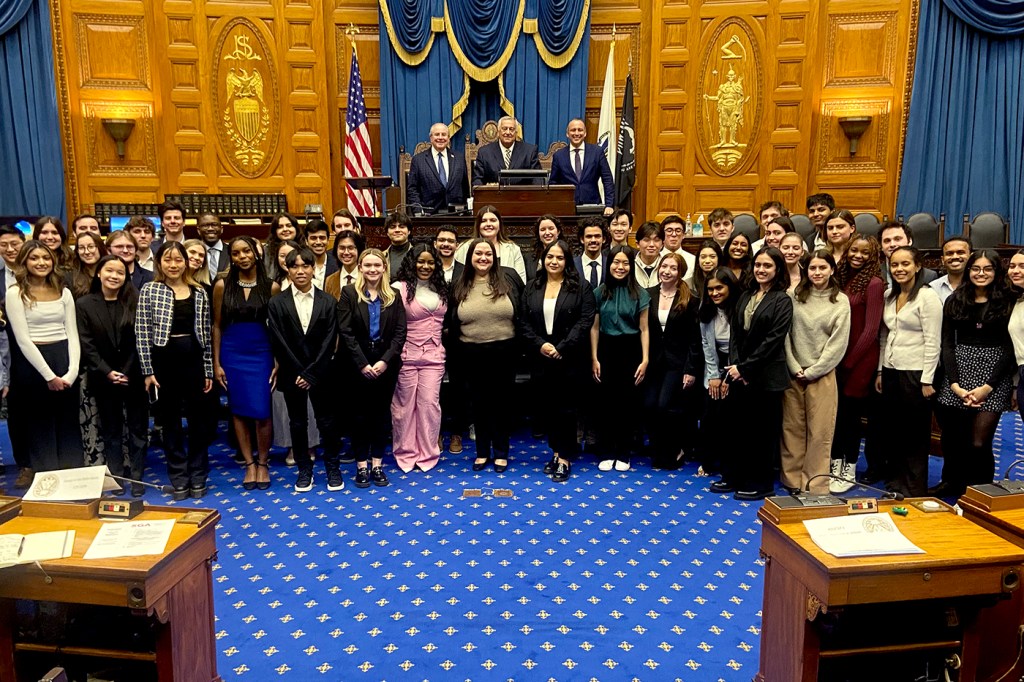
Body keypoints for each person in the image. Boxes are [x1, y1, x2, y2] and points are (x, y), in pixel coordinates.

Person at [933, 249, 1014, 498]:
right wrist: (955, 383)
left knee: (979, 442)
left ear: (996, 272)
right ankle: (951, 483)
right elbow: (947, 343)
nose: (981, 273)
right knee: (953, 439)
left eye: (987, 269)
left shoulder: (1008, 300)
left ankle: (978, 492)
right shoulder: (956, 299)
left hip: (995, 376)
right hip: (957, 372)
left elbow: (1010, 348)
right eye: (976, 268)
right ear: (969, 271)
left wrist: (987, 387)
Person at [136, 242, 214, 500]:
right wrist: (148, 370)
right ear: (159, 263)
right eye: (167, 260)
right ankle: (179, 477)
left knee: (198, 423)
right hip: (163, 362)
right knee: (170, 424)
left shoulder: (199, 291)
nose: (173, 265)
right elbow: (142, 332)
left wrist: (208, 370)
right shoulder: (150, 290)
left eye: (178, 260)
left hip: (193, 360)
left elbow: (206, 334)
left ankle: (199, 474)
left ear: (186, 262)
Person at [715, 247, 793, 500]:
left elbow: (773, 340)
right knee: (738, 430)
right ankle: (736, 476)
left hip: (766, 377)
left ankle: (761, 483)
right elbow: (735, 334)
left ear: (778, 269)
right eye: (758, 265)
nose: (761, 270)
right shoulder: (747, 295)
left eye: (767, 266)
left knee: (762, 433)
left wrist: (746, 368)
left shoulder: (782, 300)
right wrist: (737, 365)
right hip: (741, 375)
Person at [267, 246, 345, 492]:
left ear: (314, 269)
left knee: (328, 422)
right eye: (294, 266)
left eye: (305, 266)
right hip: (292, 373)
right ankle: (304, 470)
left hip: (323, 373)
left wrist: (312, 372)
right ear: (287, 270)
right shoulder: (277, 303)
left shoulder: (328, 301)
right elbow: (279, 341)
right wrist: (300, 371)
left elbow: (330, 339)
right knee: (297, 423)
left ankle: (333, 467)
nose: (300, 271)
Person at [519, 240, 595, 481]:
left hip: (569, 357)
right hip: (541, 357)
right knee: (548, 408)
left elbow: (585, 321)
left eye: (559, 258)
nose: (554, 261)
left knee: (566, 409)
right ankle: (555, 452)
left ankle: (564, 457)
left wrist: (562, 347)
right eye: (550, 257)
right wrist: (541, 345)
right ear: (543, 258)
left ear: (567, 261)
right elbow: (522, 321)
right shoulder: (532, 286)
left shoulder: (580, 287)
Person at [446, 239, 521, 472]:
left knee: (502, 404)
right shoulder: (459, 284)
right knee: (478, 404)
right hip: (471, 353)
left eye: (488, 254)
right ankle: (481, 452)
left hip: (504, 351)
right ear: (470, 257)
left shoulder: (508, 279)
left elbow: (522, 310)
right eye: (478, 253)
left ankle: (501, 452)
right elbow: (451, 320)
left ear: (494, 258)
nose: (483, 258)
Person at [6, 241, 81, 472]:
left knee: (68, 425)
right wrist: (49, 376)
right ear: (25, 262)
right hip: (32, 365)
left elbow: (72, 333)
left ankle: (72, 478)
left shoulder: (64, 291)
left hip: (64, 358)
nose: (41, 263)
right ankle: (47, 483)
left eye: (46, 258)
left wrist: (72, 372)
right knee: (40, 426)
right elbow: (22, 339)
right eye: (34, 258)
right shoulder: (15, 292)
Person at [76, 255, 148, 496]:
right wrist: (108, 372)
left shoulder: (135, 300)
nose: (114, 276)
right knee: (112, 431)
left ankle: (138, 478)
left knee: (138, 430)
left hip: (133, 374)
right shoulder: (85, 304)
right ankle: (117, 476)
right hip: (103, 376)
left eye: (120, 272)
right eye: (109, 271)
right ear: (99, 273)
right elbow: (86, 344)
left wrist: (126, 371)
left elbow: (141, 340)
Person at [781, 251, 850, 495]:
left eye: (822, 267)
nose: (817, 273)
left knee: (820, 431)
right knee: (792, 428)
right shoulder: (793, 296)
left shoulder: (841, 301)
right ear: (805, 271)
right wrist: (794, 366)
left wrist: (814, 370)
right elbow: (785, 336)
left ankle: (815, 484)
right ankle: (791, 480)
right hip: (794, 371)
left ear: (832, 270)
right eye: (812, 268)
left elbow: (838, 343)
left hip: (822, 374)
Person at [213, 236, 279, 491]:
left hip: (262, 350)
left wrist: (277, 360)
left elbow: (276, 328)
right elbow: (217, 326)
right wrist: (217, 362)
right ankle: (249, 463)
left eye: (246, 251)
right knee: (239, 409)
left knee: (262, 408)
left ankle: (263, 462)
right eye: (236, 253)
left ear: (256, 253)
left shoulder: (271, 286)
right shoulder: (222, 285)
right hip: (232, 352)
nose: (242, 256)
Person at [337, 249, 407, 487]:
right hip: (357, 363)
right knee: (359, 417)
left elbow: (400, 333)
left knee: (380, 415)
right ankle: (361, 467)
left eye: (377, 265)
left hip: (385, 363)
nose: (372, 269)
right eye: (367, 265)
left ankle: (377, 465)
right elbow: (345, 331)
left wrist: (385, 360)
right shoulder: (348, 293)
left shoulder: (394, 295)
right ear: (360, 268)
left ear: (384, 267)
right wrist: (362, 363)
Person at [876, 246, 942, 497]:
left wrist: (927, 379)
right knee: (894, 430)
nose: (899, 269)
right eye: (894, 265)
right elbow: (885, 335)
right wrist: (881, 371)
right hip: (892, 370)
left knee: (914, 434)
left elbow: (933, 340)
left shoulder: (927, 297)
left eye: (905, 264)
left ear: (917, 267)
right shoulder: (889, 295)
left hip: (916, 373)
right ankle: (895, 482)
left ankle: (914, 487)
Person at [830, 235, 884, 493]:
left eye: (865, 252)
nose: (858, 256)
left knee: (850, 417)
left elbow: (871, 330)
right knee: (836, 414)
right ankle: (835, 462)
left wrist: (848, 361)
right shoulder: (842, 279)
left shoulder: (874, 284)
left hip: (859, 361)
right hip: (838, 358)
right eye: (854, 250)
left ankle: (849, 466)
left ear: (873, 256)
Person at [590, 246, 650, 471]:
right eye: (616, 262)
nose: (620, 267)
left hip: (631, 349)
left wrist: (645, 360)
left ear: (631, 266)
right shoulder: (599, 292)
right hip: (605, 349)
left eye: (625, 263)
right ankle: (606, 450)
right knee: (606, 403)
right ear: (610, 264)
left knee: (627, 404)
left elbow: (644, 329)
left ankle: (623, 452)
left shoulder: (640, 293)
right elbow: (594, 328)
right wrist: (594, 357)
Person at [391, 244, 449, 473]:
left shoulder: (442, 288)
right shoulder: (398, 288)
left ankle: (428, 452)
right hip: (406, 354)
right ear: (411, 263)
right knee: (404, 406)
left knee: (429, 405)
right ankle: (405, 452)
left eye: (430, 262)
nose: (425, 266)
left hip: (435, 355)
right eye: (420, 261)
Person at [645, 252, 701, 469]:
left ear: (680, 273)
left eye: (673, 268)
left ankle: (675, 449)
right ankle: (658, 449)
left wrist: (691, 369)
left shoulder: (690, 299)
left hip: (677, 363)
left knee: (664, 405)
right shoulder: (646, 295)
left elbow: (695, 339)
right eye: (664, 266)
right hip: (653, 361)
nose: (667, 271)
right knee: (649, 405)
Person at [64, 231, 109, 467]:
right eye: (81, 247)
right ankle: (94, 462)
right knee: (89, 411)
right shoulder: (70, 279)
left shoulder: (113, 270)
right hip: (84, 352)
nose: (87, 251)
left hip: (111, 351)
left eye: (91, 246)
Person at [699, 268, 741, 482]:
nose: (714, 293)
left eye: (719, 288)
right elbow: (706, 344)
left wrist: (728, 380)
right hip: (715, 366)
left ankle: (729, 465)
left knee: (729, 417)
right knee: (709, 415)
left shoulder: (741, 308)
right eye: (710, 289)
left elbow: (741, 346)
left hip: (738, 367)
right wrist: (714, 376)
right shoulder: (706, 310)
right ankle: (708, 461)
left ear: (730, 287)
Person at [0, 225, 27, 486]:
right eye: (3, 245)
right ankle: (24, 464)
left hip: (36, 347)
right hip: (6, 350)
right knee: (16, 410)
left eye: (14, 244)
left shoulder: (34, 270)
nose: (9, 249)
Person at [548, 118, 614, 214]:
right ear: (567, 134)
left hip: (592, 207)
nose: (576, 133)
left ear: (585, 133)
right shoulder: (559, 156)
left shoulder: (597, 152)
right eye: (573, 130)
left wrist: (609, 205)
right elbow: (553, 183)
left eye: (580, 130)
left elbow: (607, 179)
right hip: (567, 208)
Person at [407, 122, 469, 213]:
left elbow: (465, 188)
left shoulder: (459, 158)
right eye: (437, 134)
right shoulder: (418, 160)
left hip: (456, 214)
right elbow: (412, 190)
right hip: (429, 215)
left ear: (448, 138)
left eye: (444, 135)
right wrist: (418, 211)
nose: (440, 138)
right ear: (431, 138)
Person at [453, 206, 527, 283]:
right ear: (478, 225)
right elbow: (458, 280)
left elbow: (521, 281)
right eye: (484, 221)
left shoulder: (513, 249)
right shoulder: (464, 248)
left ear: (499, 225)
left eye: (493, 220)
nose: (488, 224)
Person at [472, 115, 542, 186]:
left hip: (522, 196)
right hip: (494, 196)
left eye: (511, 129)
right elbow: (477, 180)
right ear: (498, 131)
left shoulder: (529, 151)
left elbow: (538, 179)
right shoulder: (484, 153)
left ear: (516, 132)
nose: (508, 132)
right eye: (504, 129)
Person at [879, 221, 938, 286]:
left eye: (897, 239)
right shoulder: (874, 274)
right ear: (881, 246)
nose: (892, 244)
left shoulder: (928, 276)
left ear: (909, 241)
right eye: (887, 241)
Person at [929, 236, 972, 304]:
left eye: (960, 252)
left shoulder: (979, 285)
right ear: (942, 260)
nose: (955, 257)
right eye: (949, 253)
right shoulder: (933, 288)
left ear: (971, 256)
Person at [65, 231, 107, 299]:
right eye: (81, 248)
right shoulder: (69, 277)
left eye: (91, 246)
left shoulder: (110, 272)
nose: (86, 252)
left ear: (100, 248)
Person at [522, 215, 563, 283]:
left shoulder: (567, 255)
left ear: (558, 232)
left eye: (551, 228)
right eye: (542, 229)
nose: (547, 233)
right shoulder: (528, 258)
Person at [325, 229, 364, 299]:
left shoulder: (367, 277)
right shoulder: (330, 280)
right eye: (342, 248)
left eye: (351, 248)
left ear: (359, 249)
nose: (346, 252)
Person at [263, 212, 302, 282]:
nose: (285, 229)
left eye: (289, 225)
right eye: (280, 227)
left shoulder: (305, 248)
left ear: (296, 228)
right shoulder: (267, 250)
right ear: (275, 231)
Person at [574, 217, 611, 290]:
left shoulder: (610, 264)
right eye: (589, 236)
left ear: (604, 239)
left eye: (597, 236)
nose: (593, 240)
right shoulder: (572, 264)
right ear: (582, 239)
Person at [660, 215, 697, 282]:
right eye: (669, 230)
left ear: (683, 235)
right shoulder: (656, 258)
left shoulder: (693, 260)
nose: (674, 234)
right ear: (662, 234)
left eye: (678, 230)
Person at [304, 219, 338, 289]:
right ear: (306, 241)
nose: (318, 242)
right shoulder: (301, 265)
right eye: (313, 238)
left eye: (322, 238)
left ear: (328, 240)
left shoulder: (338, 264)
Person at [196, 212, 229, 278]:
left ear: (221, 229)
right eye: (205, 225)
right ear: (198, 230)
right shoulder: (192, 253)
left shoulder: (232, 251)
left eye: (214, 225)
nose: (210, 228)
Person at [692, 241, 723, 305]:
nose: (707, 261)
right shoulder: (688, 284)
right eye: (703, 257)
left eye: (712, 256)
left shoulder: (727, 281)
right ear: (698, 259)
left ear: (719, 259)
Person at [634, 221, 664, 288]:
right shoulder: (629, 265)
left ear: (662, 244)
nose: (651, 245)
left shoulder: (667, 266)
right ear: (637, 244)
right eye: (646, 240)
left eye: (656, 240)